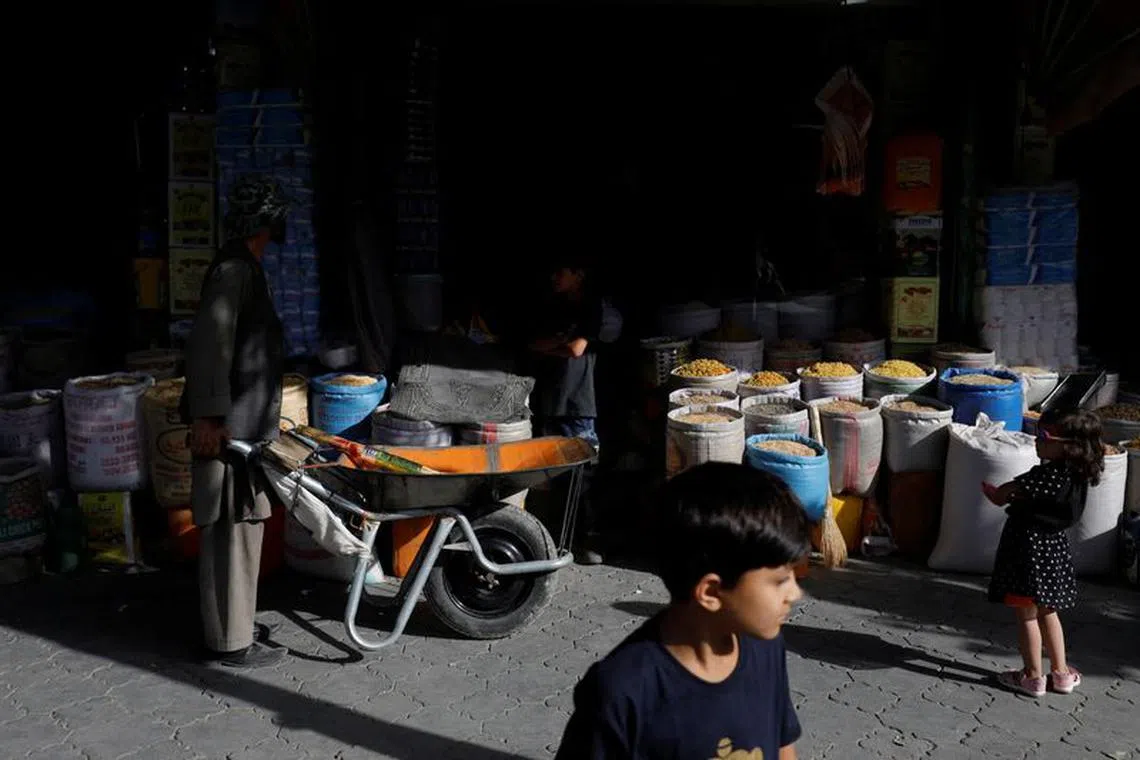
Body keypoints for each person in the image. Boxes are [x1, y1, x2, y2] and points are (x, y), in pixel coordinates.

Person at [554, 462, 810, 759]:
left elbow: (781, 743)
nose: (795, 594)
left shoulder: (765, 646)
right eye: (780, 581)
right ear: (711, 593)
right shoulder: (623, 692)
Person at [182, 175, 289, 669]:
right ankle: (229, 642)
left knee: (243, 529)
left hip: (244, 427)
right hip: (228, 430)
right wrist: (207, 416)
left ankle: (237, 630)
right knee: (229, 530)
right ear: (266, 222)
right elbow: (211, 343)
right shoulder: (233, 271)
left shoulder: (246, 268)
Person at [983, 408, 1104, 697]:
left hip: (1026, 550)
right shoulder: (1076, 476)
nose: (1036, 440)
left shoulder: (1046, 475)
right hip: (1053, 550)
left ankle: (1032, 676)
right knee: (1049, 610)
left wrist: (996, 494)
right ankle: (1061, 674)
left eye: (1043, 435)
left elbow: (1005, 492)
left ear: (1068, 446)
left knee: (1027, 613)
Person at [528, 255, 605, 563]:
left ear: (579, 274)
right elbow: (532, 344)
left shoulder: (590, 308)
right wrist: (557, 343)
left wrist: (556, 344)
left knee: (583, 473)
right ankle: (554, 538)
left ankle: (586, 540)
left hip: (577, 402)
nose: (554, 277)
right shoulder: (553, 307)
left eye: (561, 271)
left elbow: (576, 348)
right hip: (550, 399)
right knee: (551, 473)